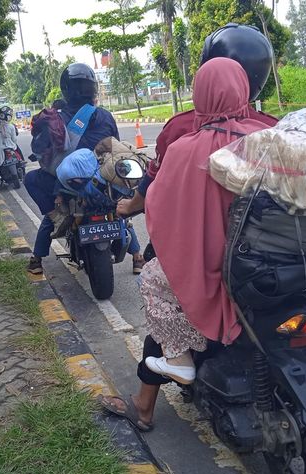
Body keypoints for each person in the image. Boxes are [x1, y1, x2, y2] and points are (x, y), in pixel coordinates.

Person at [100, 26, 278, 431]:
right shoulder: (272, 132)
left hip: (212, 261)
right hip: (269, 263)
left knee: (157, 283)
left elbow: (160, 203)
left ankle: (144, 406)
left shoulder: (183, 134)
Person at [116, 23, 278, 218]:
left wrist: (131, 206)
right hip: (259, 243)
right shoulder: (272, 129)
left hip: (190, 236)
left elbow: (155, 182)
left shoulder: (179, 128)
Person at [25, 63, 128, 275]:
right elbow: (115, 143)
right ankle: (136, 257)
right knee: (119, 211)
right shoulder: (105, 116)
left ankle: (37, 257)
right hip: (101, 179)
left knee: (34, 185)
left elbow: (41, 148)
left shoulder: (56, 118)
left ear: (66, 89)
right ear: (94, 88)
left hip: (68, 184)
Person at [0, 107, 18, 171]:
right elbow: (14, 139)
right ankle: (21, 162)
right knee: (18, 152)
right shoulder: (11, 126)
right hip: (10, 146)